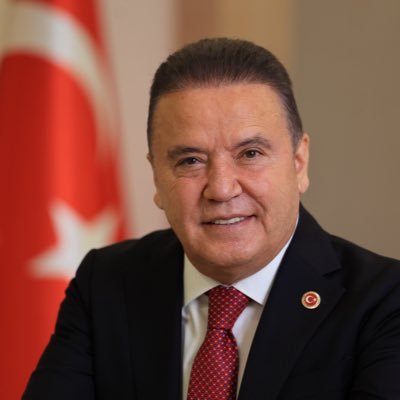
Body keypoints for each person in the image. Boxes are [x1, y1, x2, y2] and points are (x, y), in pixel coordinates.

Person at [23, 38, 400, 400]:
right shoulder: (106, 285)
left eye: (250, 154)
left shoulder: (384, 302)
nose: (221, 189)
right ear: (156, 178)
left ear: (299, 163)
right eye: (191, 161)